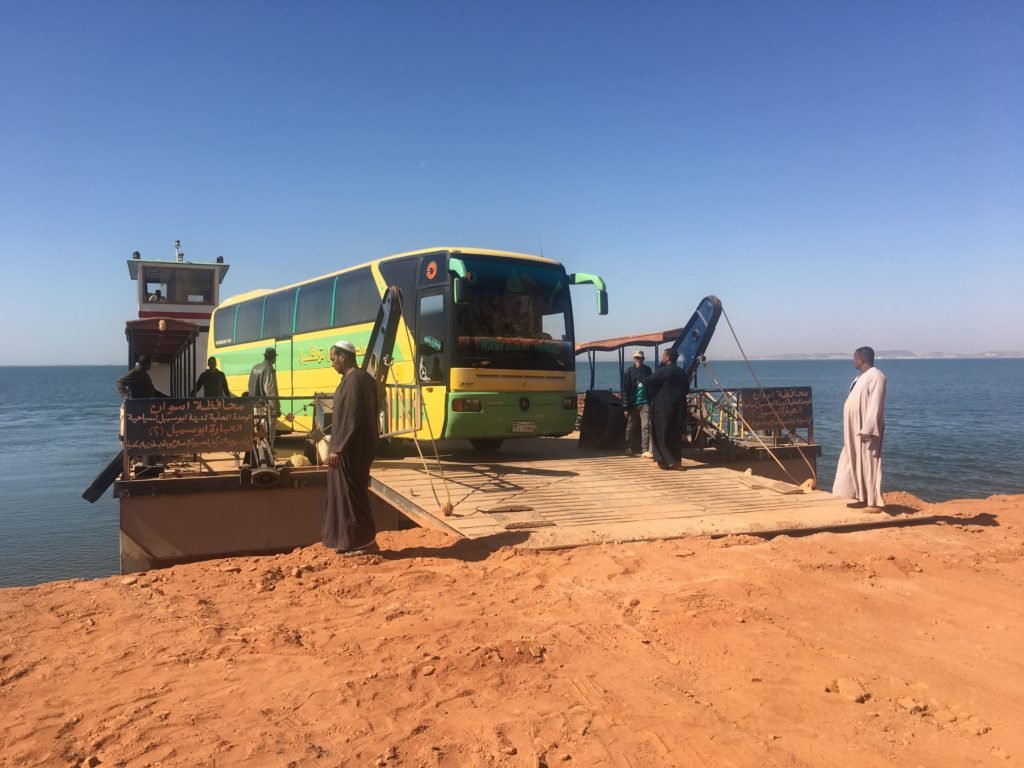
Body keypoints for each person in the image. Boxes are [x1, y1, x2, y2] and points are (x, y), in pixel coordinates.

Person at [322, 339, 380, 555]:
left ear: (343, 356)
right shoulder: (361, 378)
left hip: (351, 450)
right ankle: (349, 541)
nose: (332, 364)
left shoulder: (355, 380)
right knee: (345, 497)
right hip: (354, 448)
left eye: (333, 359)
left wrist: (338, 448)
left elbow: (351, 419)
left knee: (353, 497)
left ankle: (364, 542)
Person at [833, 346, 887, 509]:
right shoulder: (861, 377)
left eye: (854, 357)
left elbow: (875, 403)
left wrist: (868, 429)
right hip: (854, 428)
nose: (853, 360)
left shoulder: (877, 376)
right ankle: (859, 496)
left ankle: (872, 502)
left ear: (862, 359)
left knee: (868, 462)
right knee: (851, 458)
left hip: (865, 429)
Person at [646, 349, 690, 470]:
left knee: (660, 434)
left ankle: (664, 461)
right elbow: (686, 390)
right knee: (675, 434)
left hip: (663, 408)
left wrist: (638, 371)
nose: (662, 357)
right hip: (679, 407)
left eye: (663, 355)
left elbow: (648, 381)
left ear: (668, 358)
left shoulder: (663, 371)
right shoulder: (681, 373)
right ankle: (676, 462)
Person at [622, 350, 652, 457]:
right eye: (636, 358)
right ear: (633, 359)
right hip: (633, 403)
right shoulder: (628, 372)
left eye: (639, 358)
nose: (638, 360)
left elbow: (650, 385)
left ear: (643, 359)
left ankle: (644, 450)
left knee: (645, 426)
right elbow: (625, 390)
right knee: (630, 426)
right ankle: (628, 447)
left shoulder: (648, 370)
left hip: (645, 403)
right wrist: (625, 407)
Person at [248, 348, 281, 448]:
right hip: (264, 408)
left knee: (257, 430)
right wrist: (276, 408)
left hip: (254, 406)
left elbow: (249, 385)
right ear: (273, 358)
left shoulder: (255, 367)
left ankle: (258, 452)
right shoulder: (269, 369)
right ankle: (268, 452)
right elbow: (271, 391)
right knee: (268, 430)